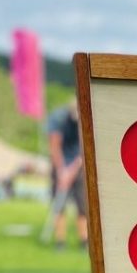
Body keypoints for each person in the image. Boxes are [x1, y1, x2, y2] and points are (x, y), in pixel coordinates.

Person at [47, 103, 87, 249]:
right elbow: (54, 146)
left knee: (83, 205)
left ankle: (84, 241)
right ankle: (60, 242)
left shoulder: (85, 117)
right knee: (59, 206)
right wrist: (61, 171)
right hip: (60, 164)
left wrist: (72, 170)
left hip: (79, 165)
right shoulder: (57, 118)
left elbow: (85, 147)